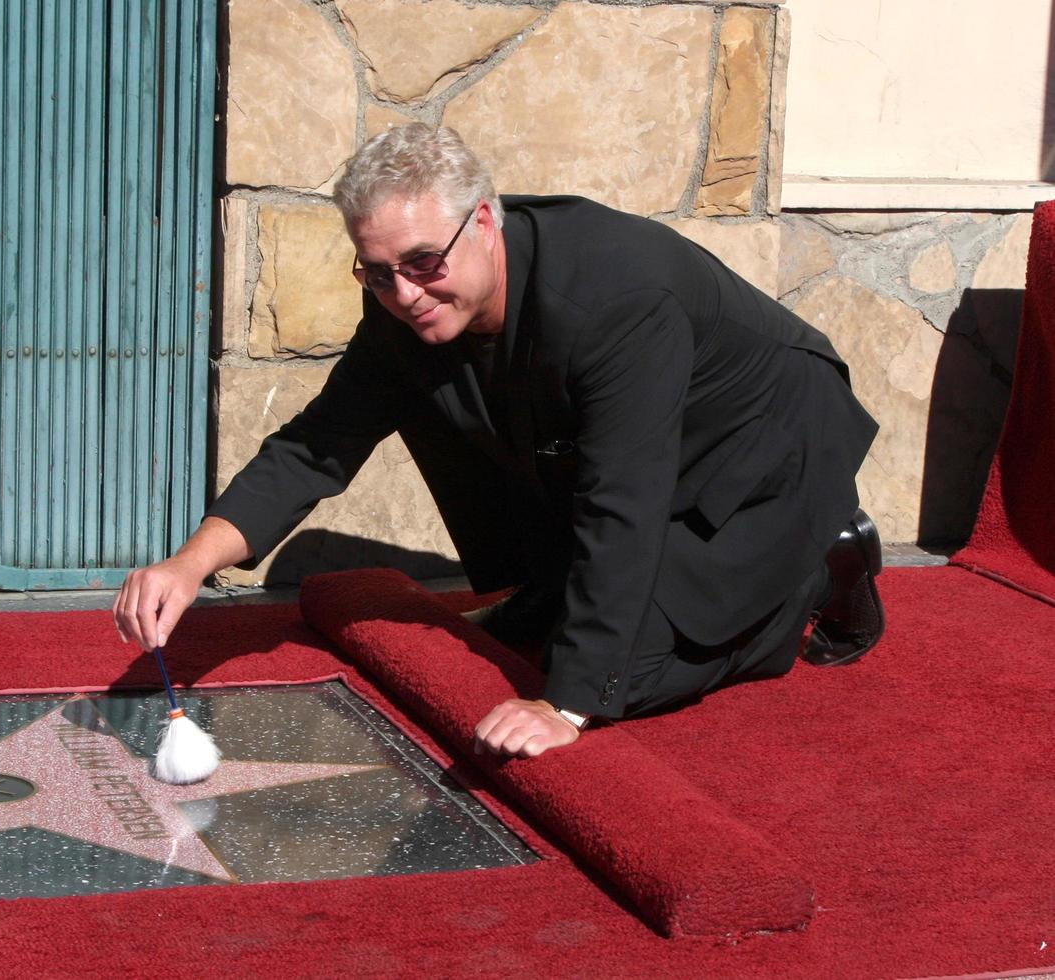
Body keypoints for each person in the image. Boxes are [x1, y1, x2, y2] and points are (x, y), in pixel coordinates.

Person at [114, 124, 883, 759]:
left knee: (629, 672)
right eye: (377, 273)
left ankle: (816, 568)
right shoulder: (407, 309)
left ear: (484, 220)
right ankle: (556, 593)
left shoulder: (615, 301)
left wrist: (571, 705)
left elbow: (623, 500)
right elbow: (320, 444)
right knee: (439, 397)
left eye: (423, 263)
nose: (405, 294)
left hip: (764, 444)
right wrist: (191, 563)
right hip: (651, 452)